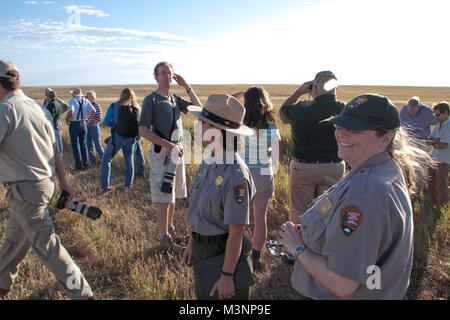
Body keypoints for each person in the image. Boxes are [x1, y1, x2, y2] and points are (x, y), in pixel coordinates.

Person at [278, 94, 435, 300]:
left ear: (385, 137)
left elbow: (342, 284)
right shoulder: (383, 168)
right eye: (339, 126)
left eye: (353, 129)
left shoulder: (365, 192)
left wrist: (297, 248)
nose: (341, 134)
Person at [0, 60, 94, 300]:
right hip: (44, 185)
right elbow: (55, 150)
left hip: (26, 191)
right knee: (14, 241)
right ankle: (2, 282)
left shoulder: (5, 110)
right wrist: (64, 182)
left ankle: (84, 295)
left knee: (49, 248)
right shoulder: (35, 108)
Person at [182, 94, 256, 300]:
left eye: (203, 123)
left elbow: (237, 231)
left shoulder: (235, 176)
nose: (197, 127)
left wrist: (227, 276)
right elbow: (198, 209)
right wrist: (192, 243)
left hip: (222, 254)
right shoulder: (209, 161)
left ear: (219, 131)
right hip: (203, 250)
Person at [139, 62, 201, 252]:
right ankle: (164, 239)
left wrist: (187, 86)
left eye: (170, 73)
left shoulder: (174, 98)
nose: (167, 76)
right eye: (163, 73)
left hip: (177, 153)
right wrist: (167, 145)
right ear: (156, 77)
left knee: (172, 196)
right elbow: (142, 130)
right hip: (163, 155)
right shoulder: (152, 100)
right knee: (164, 196)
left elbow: (199, 110)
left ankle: (171, 230)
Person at [278, 71, 346, 224]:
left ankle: (298, 246)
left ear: (314, 87)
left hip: (303, 168)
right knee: (328, 215)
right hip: (333, 167)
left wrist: (300, 91)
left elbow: (282, 113)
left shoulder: (301, 108)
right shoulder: (344, 109)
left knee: (299, 215)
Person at [232, 87, 282, 270]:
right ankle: (256, 257)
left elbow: (223, 105)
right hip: (263, 174)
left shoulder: (239, 125)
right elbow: (279, 156)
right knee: (260, 220)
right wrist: (267, 151)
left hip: (241, 173)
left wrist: (239, 94)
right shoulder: (271, 127)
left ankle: (235, 254)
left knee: (236, 219)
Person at [101, 88, 140, 192]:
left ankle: (105, 186)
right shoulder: (136, 107)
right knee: (129, 161)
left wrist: (115, 124)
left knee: (106, 160)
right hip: (131, 138)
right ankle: (128, 185)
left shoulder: (114, 106)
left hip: (117, 137)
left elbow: (106, 122)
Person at [65, 87, 96, 171]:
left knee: (75, 145)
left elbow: (71, 111)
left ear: (74, 94)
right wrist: (87, 119)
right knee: (84, 145)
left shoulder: (72, 101)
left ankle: (78, 166)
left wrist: (67, 119)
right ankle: (86, 164)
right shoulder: (85, 101)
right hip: (83, 124)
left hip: (74, 124)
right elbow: (93, 110)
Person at [427, 102, 450, 208]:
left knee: (441, 185)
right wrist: (435, 141)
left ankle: (443, 208)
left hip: (444, 160)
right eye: (434, 115)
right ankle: (432, 204)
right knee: (430, 182)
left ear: (445, 113)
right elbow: (430, 140)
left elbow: (442, 145)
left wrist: (434, 142)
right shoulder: (438, 125)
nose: (435, 117)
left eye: (437, 115)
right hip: (434, 157)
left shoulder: (448, 126)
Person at [85, 91, 104, 165]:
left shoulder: (96, 105)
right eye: (86, 96)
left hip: (94, 127)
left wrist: (95, 123)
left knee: (97, 144)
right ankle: (92, 161)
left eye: (88, 96)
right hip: (87, 126)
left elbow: (99, 117)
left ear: (93, 98)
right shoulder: (85, 105)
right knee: (89, 144)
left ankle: (104, 160)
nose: (86, 98)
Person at [45, 90, 64, 155]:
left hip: (54, 124)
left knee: (55, 141)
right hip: (59, 122)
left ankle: (58, 155)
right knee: (59, 140)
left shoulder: (51, 104)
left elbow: (50, 115)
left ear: (48, 97)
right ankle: (60, 154)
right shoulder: (58, 103)